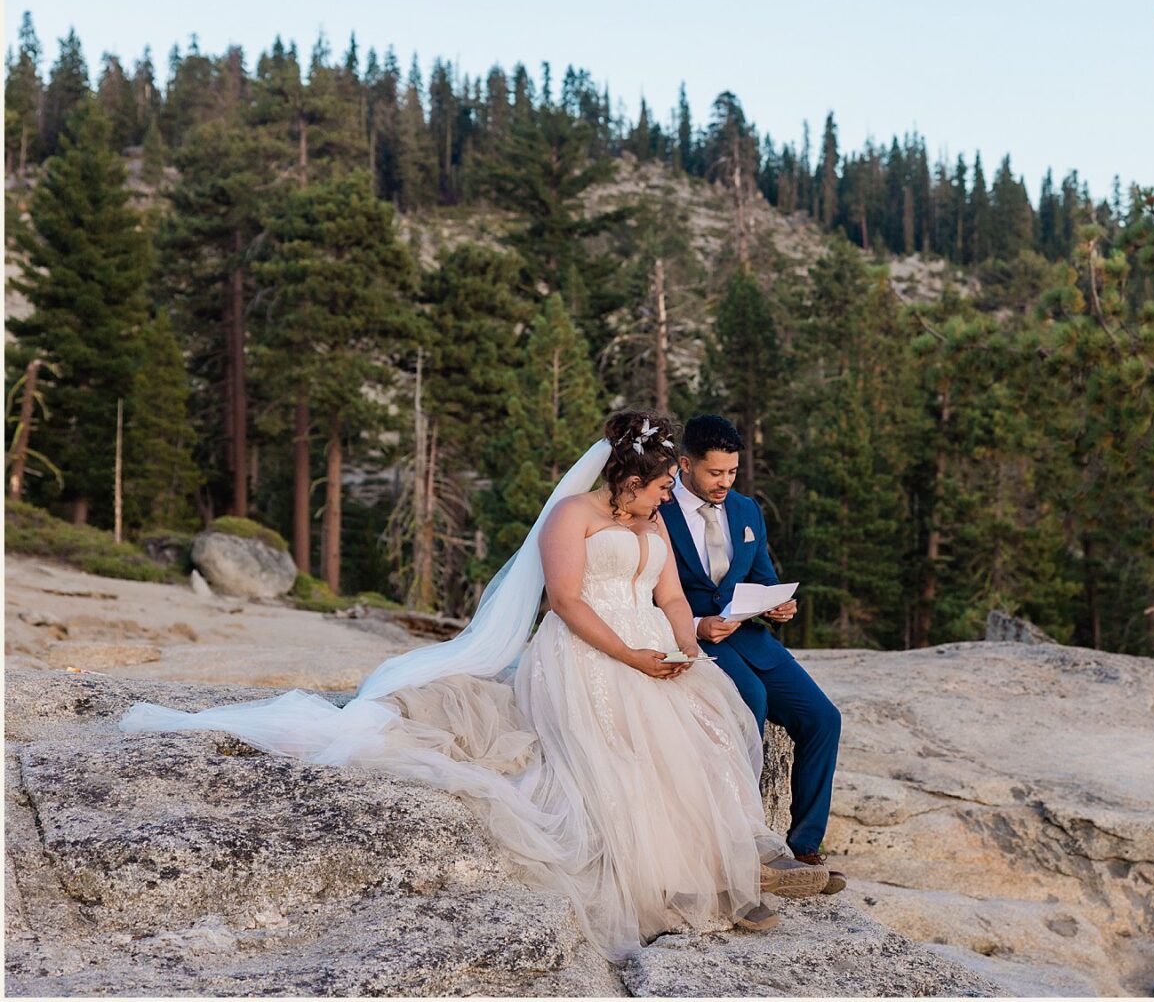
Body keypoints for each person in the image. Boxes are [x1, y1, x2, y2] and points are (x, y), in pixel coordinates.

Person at [116, 410, 830, 962]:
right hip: (585, 651)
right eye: (663, 485)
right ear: (628, 481)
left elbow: (673, 595)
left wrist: (680, 647)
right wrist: (630, 658)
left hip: (647, 647)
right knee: (620, 752)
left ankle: (734, 865)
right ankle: (669, 886)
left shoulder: (651, 527)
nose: (669, 497)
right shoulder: (572, 517)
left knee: (702, 730)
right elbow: (570, 603)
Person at [658, 414, 846, 894]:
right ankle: (747, 845)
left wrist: (778, 605)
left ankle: (804, 848)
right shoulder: (658, 509)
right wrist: (696, 626)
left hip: (748, 635)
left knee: (824, 718)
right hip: (689, 636)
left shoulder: (746, 510)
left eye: (733, 473)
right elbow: (641, 589)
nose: (725, 483)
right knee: (752, 702)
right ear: (685, 464)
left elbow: (762, 575)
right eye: (715, 473)